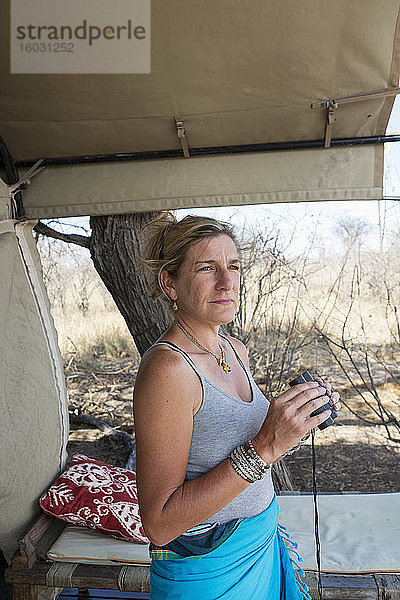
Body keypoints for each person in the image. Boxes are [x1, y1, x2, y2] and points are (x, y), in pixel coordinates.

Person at [133, 212, 341, 600]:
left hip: (261, 542)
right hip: (209, 570)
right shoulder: (169, 369)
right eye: (207, 268)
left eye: (233, 266)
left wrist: (299, 413)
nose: (227, 282)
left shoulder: (234, 349)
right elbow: (159, 524)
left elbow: (245, 438)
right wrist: (264, 448)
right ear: (170, 283)